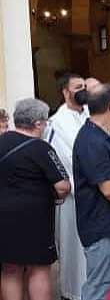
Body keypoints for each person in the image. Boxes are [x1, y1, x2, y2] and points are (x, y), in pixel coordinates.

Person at [0, 98, 71, 300]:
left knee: (10, 270)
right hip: (34, 219)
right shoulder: (41, 149)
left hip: (3, 218)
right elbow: (63, 185)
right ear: (38, 124)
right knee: (38, 270)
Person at [73, 84, 110, 300]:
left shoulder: (102, 136)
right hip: (102, 228)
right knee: (101, 288)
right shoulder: (92, 141)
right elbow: (109, 190)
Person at [45, 72, 89, 300]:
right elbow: (55, 158)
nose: (83, 90)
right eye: (78, 86)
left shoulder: (92, 114)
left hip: (96, 195)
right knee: (74, 250)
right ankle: (72, 294)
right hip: (73, 195)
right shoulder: (56, 123)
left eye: (85, 85)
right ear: (65, 92)